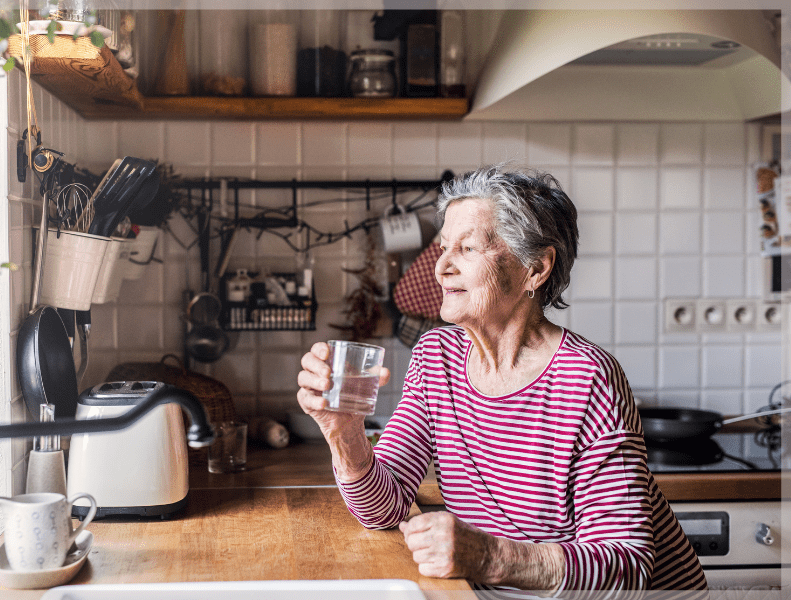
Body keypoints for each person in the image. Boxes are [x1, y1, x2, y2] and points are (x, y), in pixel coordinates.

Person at [297, 165, 707, 595]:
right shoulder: (437, 357)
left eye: (468, 248)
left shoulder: (587, 378)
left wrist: (490, 557)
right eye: (443, 247)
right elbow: (386, 508)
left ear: (535, 268)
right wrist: (344, 435)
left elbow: (627, 564)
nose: (441, 268)